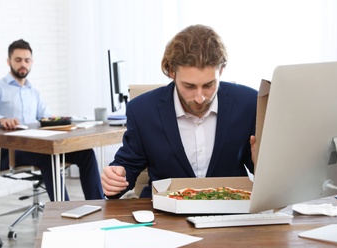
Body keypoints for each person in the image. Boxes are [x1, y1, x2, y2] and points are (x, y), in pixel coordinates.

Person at [101, 24, 257, 198]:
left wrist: (262, 164)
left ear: (221, 71)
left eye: (209, 85)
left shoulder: (249, 103)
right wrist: (116, 177)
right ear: (171, 72)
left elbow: (261, 171)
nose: (200, 98)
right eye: (189, 86)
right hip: (165, 212)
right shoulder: (142, 111)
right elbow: (127, 166)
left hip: (230, 210)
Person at [0, 39, 104, 201]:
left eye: (27, 60)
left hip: (37, 145)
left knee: (85, 153)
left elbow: (45, 117)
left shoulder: (33, 91)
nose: (23, 64)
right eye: (18, 60)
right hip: (11, 150)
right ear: (8, 61)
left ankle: (98, 204)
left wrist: (61, 121)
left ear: (31, 62)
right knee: (48, 155)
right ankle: (64, 212)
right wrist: (2, 119)